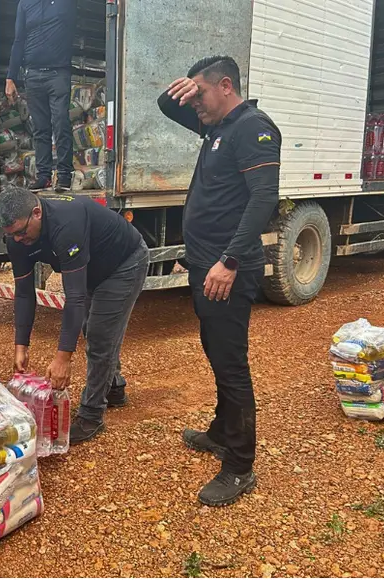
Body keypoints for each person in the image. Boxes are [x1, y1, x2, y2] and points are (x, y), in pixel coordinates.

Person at [158, 55, 281, 506]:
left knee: (231, 364)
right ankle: (220, 431)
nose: (196, 107)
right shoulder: (217, 127)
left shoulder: (251, 127)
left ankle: (240, 466)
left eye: (202, 94)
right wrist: (186, 88)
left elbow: (263, 197)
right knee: (215, 349)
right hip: (205, 265)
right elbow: (166, 107)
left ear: (226, 85)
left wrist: (228, 260)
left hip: (227, 270)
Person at [0, 187, 149, 444]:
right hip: (91, 267)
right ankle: (114, 388)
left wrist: (63, 358)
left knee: (100, 336)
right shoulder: (17, 237)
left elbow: (74, 298)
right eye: (12, 235)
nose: (18, 240)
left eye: (21, 232)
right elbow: (23, 293)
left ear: (37, 213)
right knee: (93, 328)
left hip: (124, 263)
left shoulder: (66, 224)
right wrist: (20, 345)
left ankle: (91, 416)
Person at [5, 0, 77, 192]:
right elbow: (18, 40)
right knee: (40, 128)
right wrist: (10, 77)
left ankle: (63, 176)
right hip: (33, 75)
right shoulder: (25, 4)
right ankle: (44, 176)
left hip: (58, 73)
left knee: (61, 122)